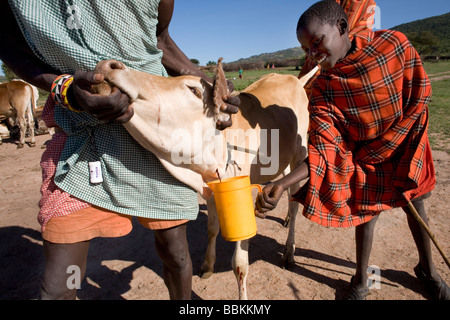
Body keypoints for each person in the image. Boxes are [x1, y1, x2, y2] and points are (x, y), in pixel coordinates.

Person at [0, 0, 239, 300]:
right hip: (81, 140)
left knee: (176, 255)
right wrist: (64, 87)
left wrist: (208, 87)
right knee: (62, 285)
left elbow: (159, 39)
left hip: (157, 137)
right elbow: (6, 39)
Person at [255, 0, 449, 300]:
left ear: (342, 27)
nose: (313, 55)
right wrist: (281, 184)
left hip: (407, 146)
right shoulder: (322, 88)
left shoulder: (394, 46)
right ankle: (361, 280)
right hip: (367, 161)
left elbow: (420, 92)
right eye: (306, 50)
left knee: (417, 206)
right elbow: (324, 149)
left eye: (317, 43)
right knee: (366, 215)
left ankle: (429, 271)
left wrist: (401, 139)